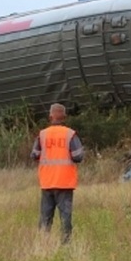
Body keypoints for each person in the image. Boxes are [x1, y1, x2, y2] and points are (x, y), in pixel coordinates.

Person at [30, 103, 84, 244]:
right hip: (65, 182)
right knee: (65, 217)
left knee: (45, 217)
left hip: (47, 182)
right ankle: (65, 244)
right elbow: (78, 156)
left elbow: (34, 155)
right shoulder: (70, 134)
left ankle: (42, 244)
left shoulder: (42, 134)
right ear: (64, 117)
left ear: (50, 116)